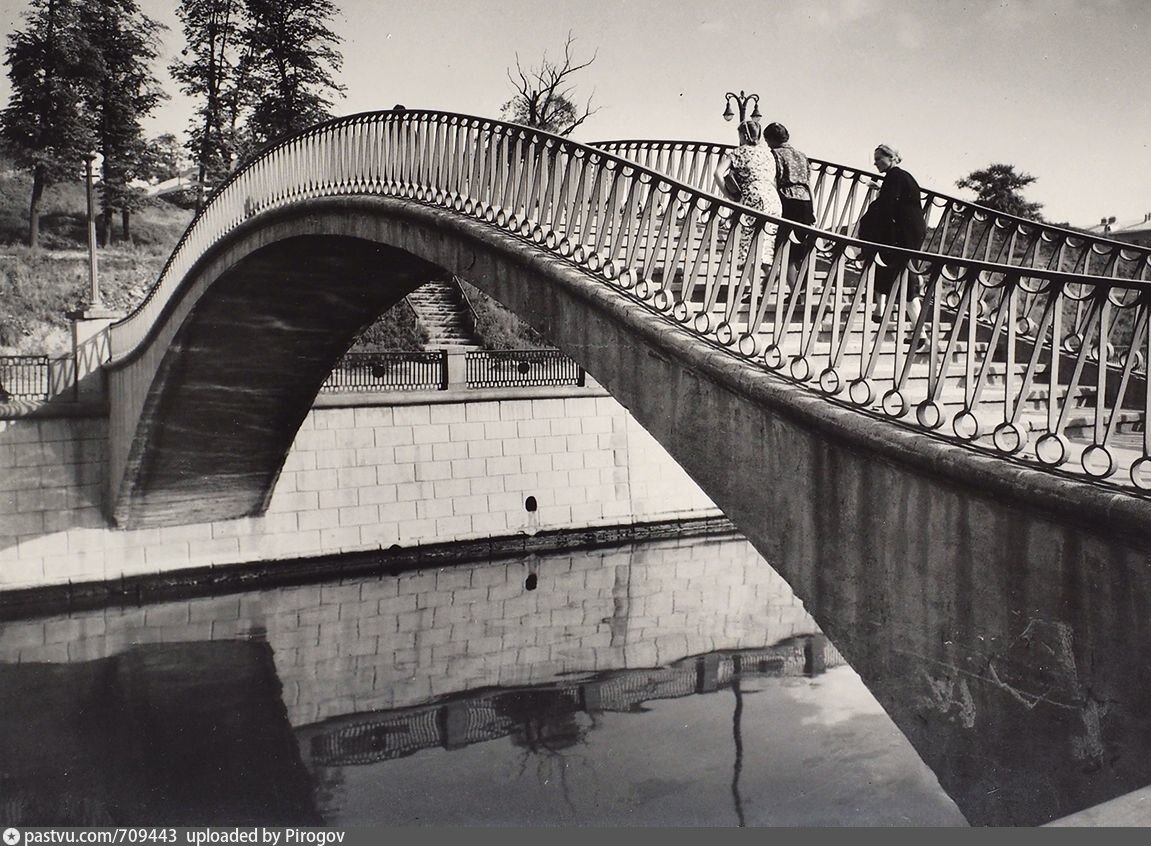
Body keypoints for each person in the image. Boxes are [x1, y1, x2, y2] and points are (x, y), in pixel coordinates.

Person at [858, 143, 927, 329]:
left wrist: (866, 228)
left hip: (903, 236)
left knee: (904, 282)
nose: (875, 164)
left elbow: (887, 206)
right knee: (888, 270)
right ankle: (880, 312)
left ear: (891, 158)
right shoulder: (900, 176)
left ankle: (920, 333)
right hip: (909, 233)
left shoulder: (894, 177)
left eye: (878, 159)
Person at [713, 118, 782, 277]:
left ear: (744, 135)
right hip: (773, 199)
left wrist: (729, 195)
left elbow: (717, 173)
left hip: (753, 197)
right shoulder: (768, 154)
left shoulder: (739, 152)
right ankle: (771, 277)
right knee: (766, 245)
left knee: (746, 245)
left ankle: (753, 290)